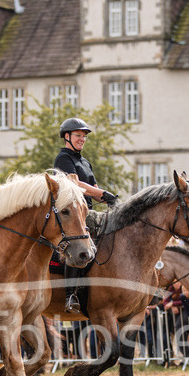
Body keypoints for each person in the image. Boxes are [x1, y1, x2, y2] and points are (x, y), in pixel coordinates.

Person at [53, 118, 117, 313]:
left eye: (84, 136)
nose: (82, 139)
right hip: (73, 215)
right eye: (78, 135)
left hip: (88, 212)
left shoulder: (85, 162)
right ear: (67, 136)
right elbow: (75, 184)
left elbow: (94, 189)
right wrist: (102, 193)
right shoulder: (63, 159)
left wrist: (108, 198)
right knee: (79, 245)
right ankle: (70, 295)